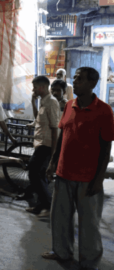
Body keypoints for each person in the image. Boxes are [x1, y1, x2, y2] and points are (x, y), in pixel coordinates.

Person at [41, 67, 114, 270]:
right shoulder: (69, 105)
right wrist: (53, 162)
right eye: (75, 77)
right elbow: (63, 135)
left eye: (80, 79)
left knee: (89, 225)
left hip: (88, 178)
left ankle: (89, 263)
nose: (76, 81)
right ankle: (62, 252)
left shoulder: (104, 110)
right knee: (60, 219)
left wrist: (99, 179)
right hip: (64, 173)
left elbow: (106, 146)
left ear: (92, 83)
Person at [17, 76, 59, 217]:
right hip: (40, 143)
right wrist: (33, 101)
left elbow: (55, 129)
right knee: (39, 175)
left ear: (41, 87)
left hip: (46, 145)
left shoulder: (51, 103)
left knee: (34, 173)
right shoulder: (43, 101)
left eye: (34, 87)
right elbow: (38, 119)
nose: (33, 89)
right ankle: (40, 205)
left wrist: (53, 154)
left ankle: (48, 205)